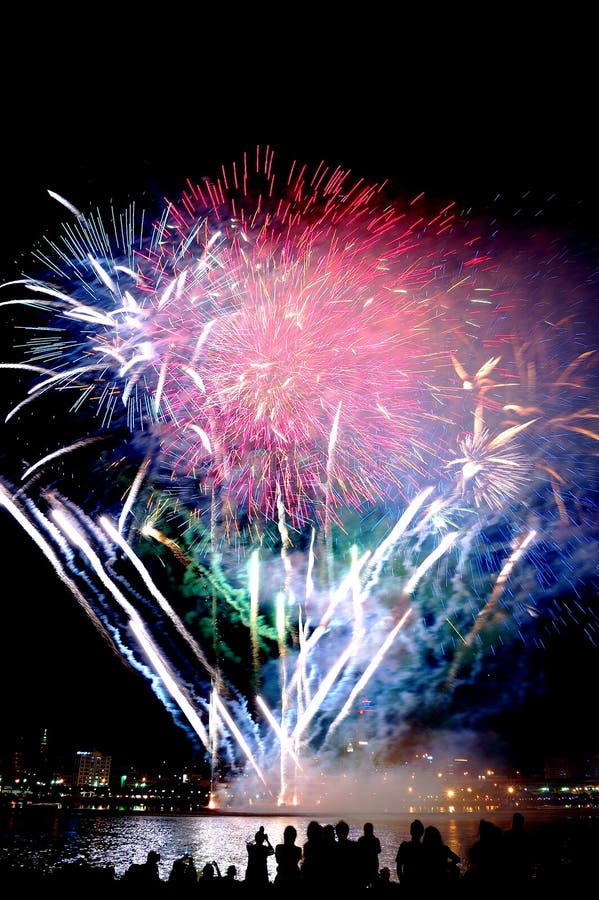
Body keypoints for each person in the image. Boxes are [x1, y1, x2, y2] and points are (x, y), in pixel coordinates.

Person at [395, 818, 425, 892]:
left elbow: (399, 868)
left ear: (411, 832)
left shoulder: (404, 846)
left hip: (406, 881)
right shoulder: (425, 849)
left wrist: (402, 881)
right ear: (422, 833)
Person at [273, 823, 302, 893]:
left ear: (285, 836)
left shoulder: (278, 848)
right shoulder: (298, 850)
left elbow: (278, 860)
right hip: (294, 879)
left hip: (281, 878)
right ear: (294, 837)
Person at [245, 824, 274, 889]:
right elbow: (272, 851)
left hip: (251, 875)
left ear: (256, 838)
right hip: (262, 876)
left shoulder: (250, 848)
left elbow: (249, 844)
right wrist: (267, 840)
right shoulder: (264, 849)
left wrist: (256, 839)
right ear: (263, 840)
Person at [356, 821, 381, 890]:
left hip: (363, 866)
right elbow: (379, 851)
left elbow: (358, 853)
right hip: (373, 866)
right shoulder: (376, 840)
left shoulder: (361, 840)